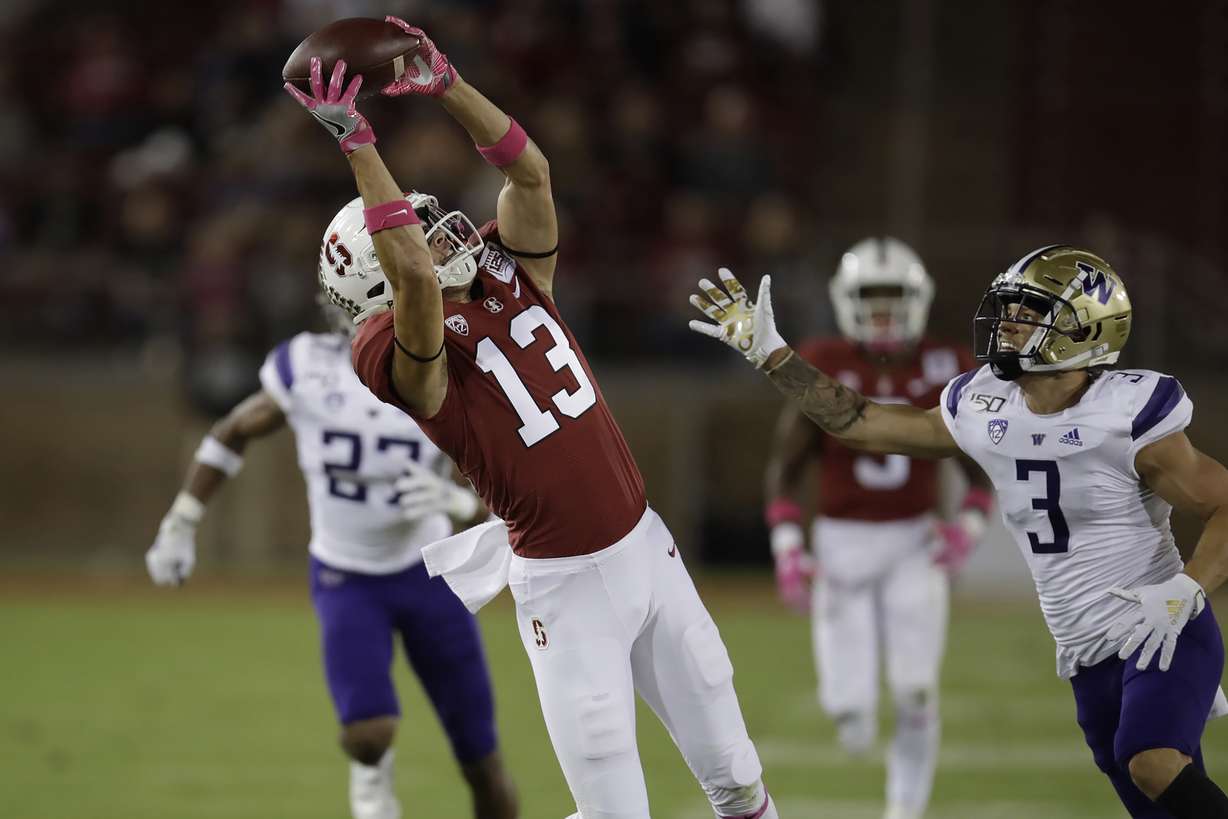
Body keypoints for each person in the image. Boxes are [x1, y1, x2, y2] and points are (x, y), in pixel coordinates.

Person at [282, 19, 778, 819]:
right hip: (567, 588)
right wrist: (357, 141)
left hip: (646, 547)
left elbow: (533, 174)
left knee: (740, 782)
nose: (434, 224)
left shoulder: (503, 268)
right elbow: (414, 281)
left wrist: (449, 86)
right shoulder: (392, 349)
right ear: (379, 284)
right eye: (412, 224)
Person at [689, 246, 1228, 819]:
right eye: (1009, 309)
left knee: (1150, 762)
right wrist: (773, 355)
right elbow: (862, 422)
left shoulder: (1126, 413)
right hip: (1084, 650)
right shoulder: (985, 403)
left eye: (1028, 313)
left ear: (1083, 328)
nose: (1008, 324)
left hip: (1160, 627)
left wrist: (1186, 589)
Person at [144, 304, 517, 819]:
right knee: (368, 735)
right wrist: (181, 521)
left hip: (429, 572)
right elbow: (233, 430)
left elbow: (513, 493)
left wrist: (460, 503)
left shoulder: (447, 368)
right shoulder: (307, 365)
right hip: (346, 574)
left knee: (480, 759)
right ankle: (371, 767)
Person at [763, 238, 991, 819]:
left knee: (916, 690)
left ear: (919, 300)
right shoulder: (824, 358)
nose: (884, 312)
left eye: (894, 299)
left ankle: (904, 811)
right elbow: (787, 464)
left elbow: (982, 461)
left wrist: (969, 523)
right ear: (846, 301)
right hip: (840, 543)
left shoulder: (945, 364)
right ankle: (854, 715)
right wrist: (787, 546)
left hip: (915, 540)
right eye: (871, 298)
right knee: (851, 715)